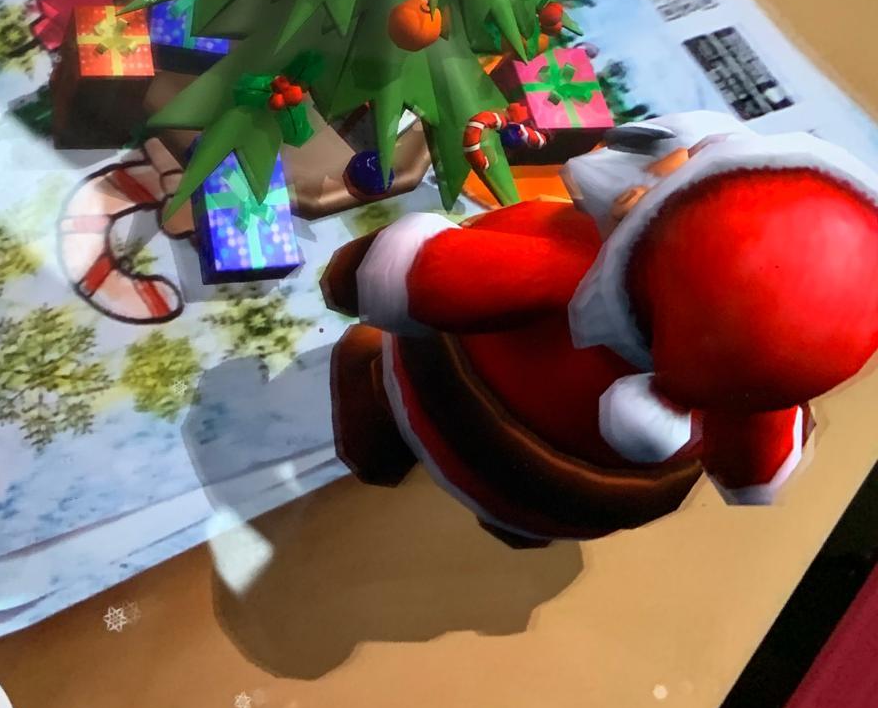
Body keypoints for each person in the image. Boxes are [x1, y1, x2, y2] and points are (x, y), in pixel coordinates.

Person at [322, 113, 878, 546]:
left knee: (365, 360)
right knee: (520, 521)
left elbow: (396, 275)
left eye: (686, 166)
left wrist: (354, 275)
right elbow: (754, 475)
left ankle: (377, 440)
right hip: (581, 500)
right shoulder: (752, 394)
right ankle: (518, 528)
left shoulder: (565, 273)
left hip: (454, 404)